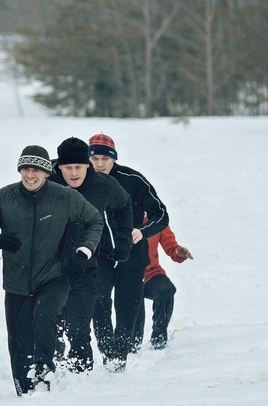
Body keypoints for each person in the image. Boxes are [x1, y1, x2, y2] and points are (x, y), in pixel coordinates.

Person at [0, 145, 103, 395]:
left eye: (36, 170)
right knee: (19, 343)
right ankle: (24, 392)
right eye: (25, 169)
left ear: (46, 172)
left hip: (54, 276)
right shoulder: (3, 197)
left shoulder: (64, 197)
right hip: (16, 283)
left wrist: (83, 252)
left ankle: (43, 371)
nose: (30, 175)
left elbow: (94, 220)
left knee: (44, 314)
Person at [48, 137, 133, 373]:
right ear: (59, 167)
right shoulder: (48, 182)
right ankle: (54, 366)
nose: (74, 173)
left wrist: (124, 242)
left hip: (86, 261)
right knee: (54, 321)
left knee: (80, 323)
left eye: (79, 167)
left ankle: (82, 374)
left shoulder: (104, 185)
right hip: (50, 264)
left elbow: (125, 206)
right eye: (68, 168)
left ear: (88, 165)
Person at [88, 133, 169, 372]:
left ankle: (118, 359)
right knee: (99, 302)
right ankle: (107, 352)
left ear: (114, 158)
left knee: (127, 307)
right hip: (99, 255)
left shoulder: (133, 180)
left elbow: (161, 214)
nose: (99, 164)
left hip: (132, 255)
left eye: (104, 158)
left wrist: (142, 231)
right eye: (94, 158)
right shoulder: (82, 181)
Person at [133, 222, 193, 350]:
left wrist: (178, 251)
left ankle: (159, 339)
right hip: (128, 275)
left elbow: (171, 246)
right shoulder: (122, 214)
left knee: (166, 289)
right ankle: (132, 343)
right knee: (135, 311)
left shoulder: (157, 217)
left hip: (151, 273)